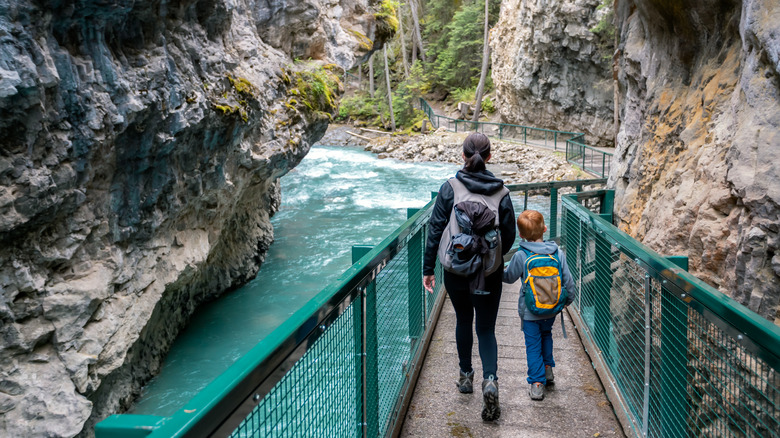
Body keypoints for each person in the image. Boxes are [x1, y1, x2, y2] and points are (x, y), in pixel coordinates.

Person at [422, 132, 516, 421]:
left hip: (456, 270)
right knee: (486, 329)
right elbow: (509, 237)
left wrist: (428, 269)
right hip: (488, 272)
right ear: (489, 157)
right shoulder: (502, 193)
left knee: (464, 320)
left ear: (463, 155)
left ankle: (465, 377)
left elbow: (435, 230)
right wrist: (492, 259)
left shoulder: (449, 188)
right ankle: (490, 379)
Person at [503, 209, 575, 401]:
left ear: (521, 235)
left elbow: (509, 278)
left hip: (530, 311)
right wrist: (566, 301)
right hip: (552, 308)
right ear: (544, 228)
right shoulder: (557, 252)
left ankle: (536, 383)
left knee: (533, 345)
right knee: (546, 335)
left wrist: (497, 271)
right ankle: (547, 369)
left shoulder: (521, 255)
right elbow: (568, 282)